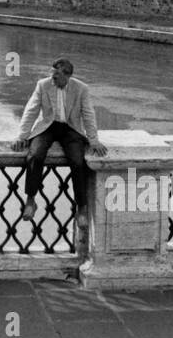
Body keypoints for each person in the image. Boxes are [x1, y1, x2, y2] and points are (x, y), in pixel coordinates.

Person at [11, 58, 106, 236]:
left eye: (56, 76)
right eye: (51, 75)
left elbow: (88, 114)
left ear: (67, 76)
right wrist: (22, 136)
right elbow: (31, 110)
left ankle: (82, 208)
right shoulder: (42, 85)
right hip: (47, 126)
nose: (52, 79)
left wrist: (93, 140)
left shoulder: (81, 89)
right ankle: (31, 200)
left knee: (78, 162)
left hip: (71, 129)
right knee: (35, 155)